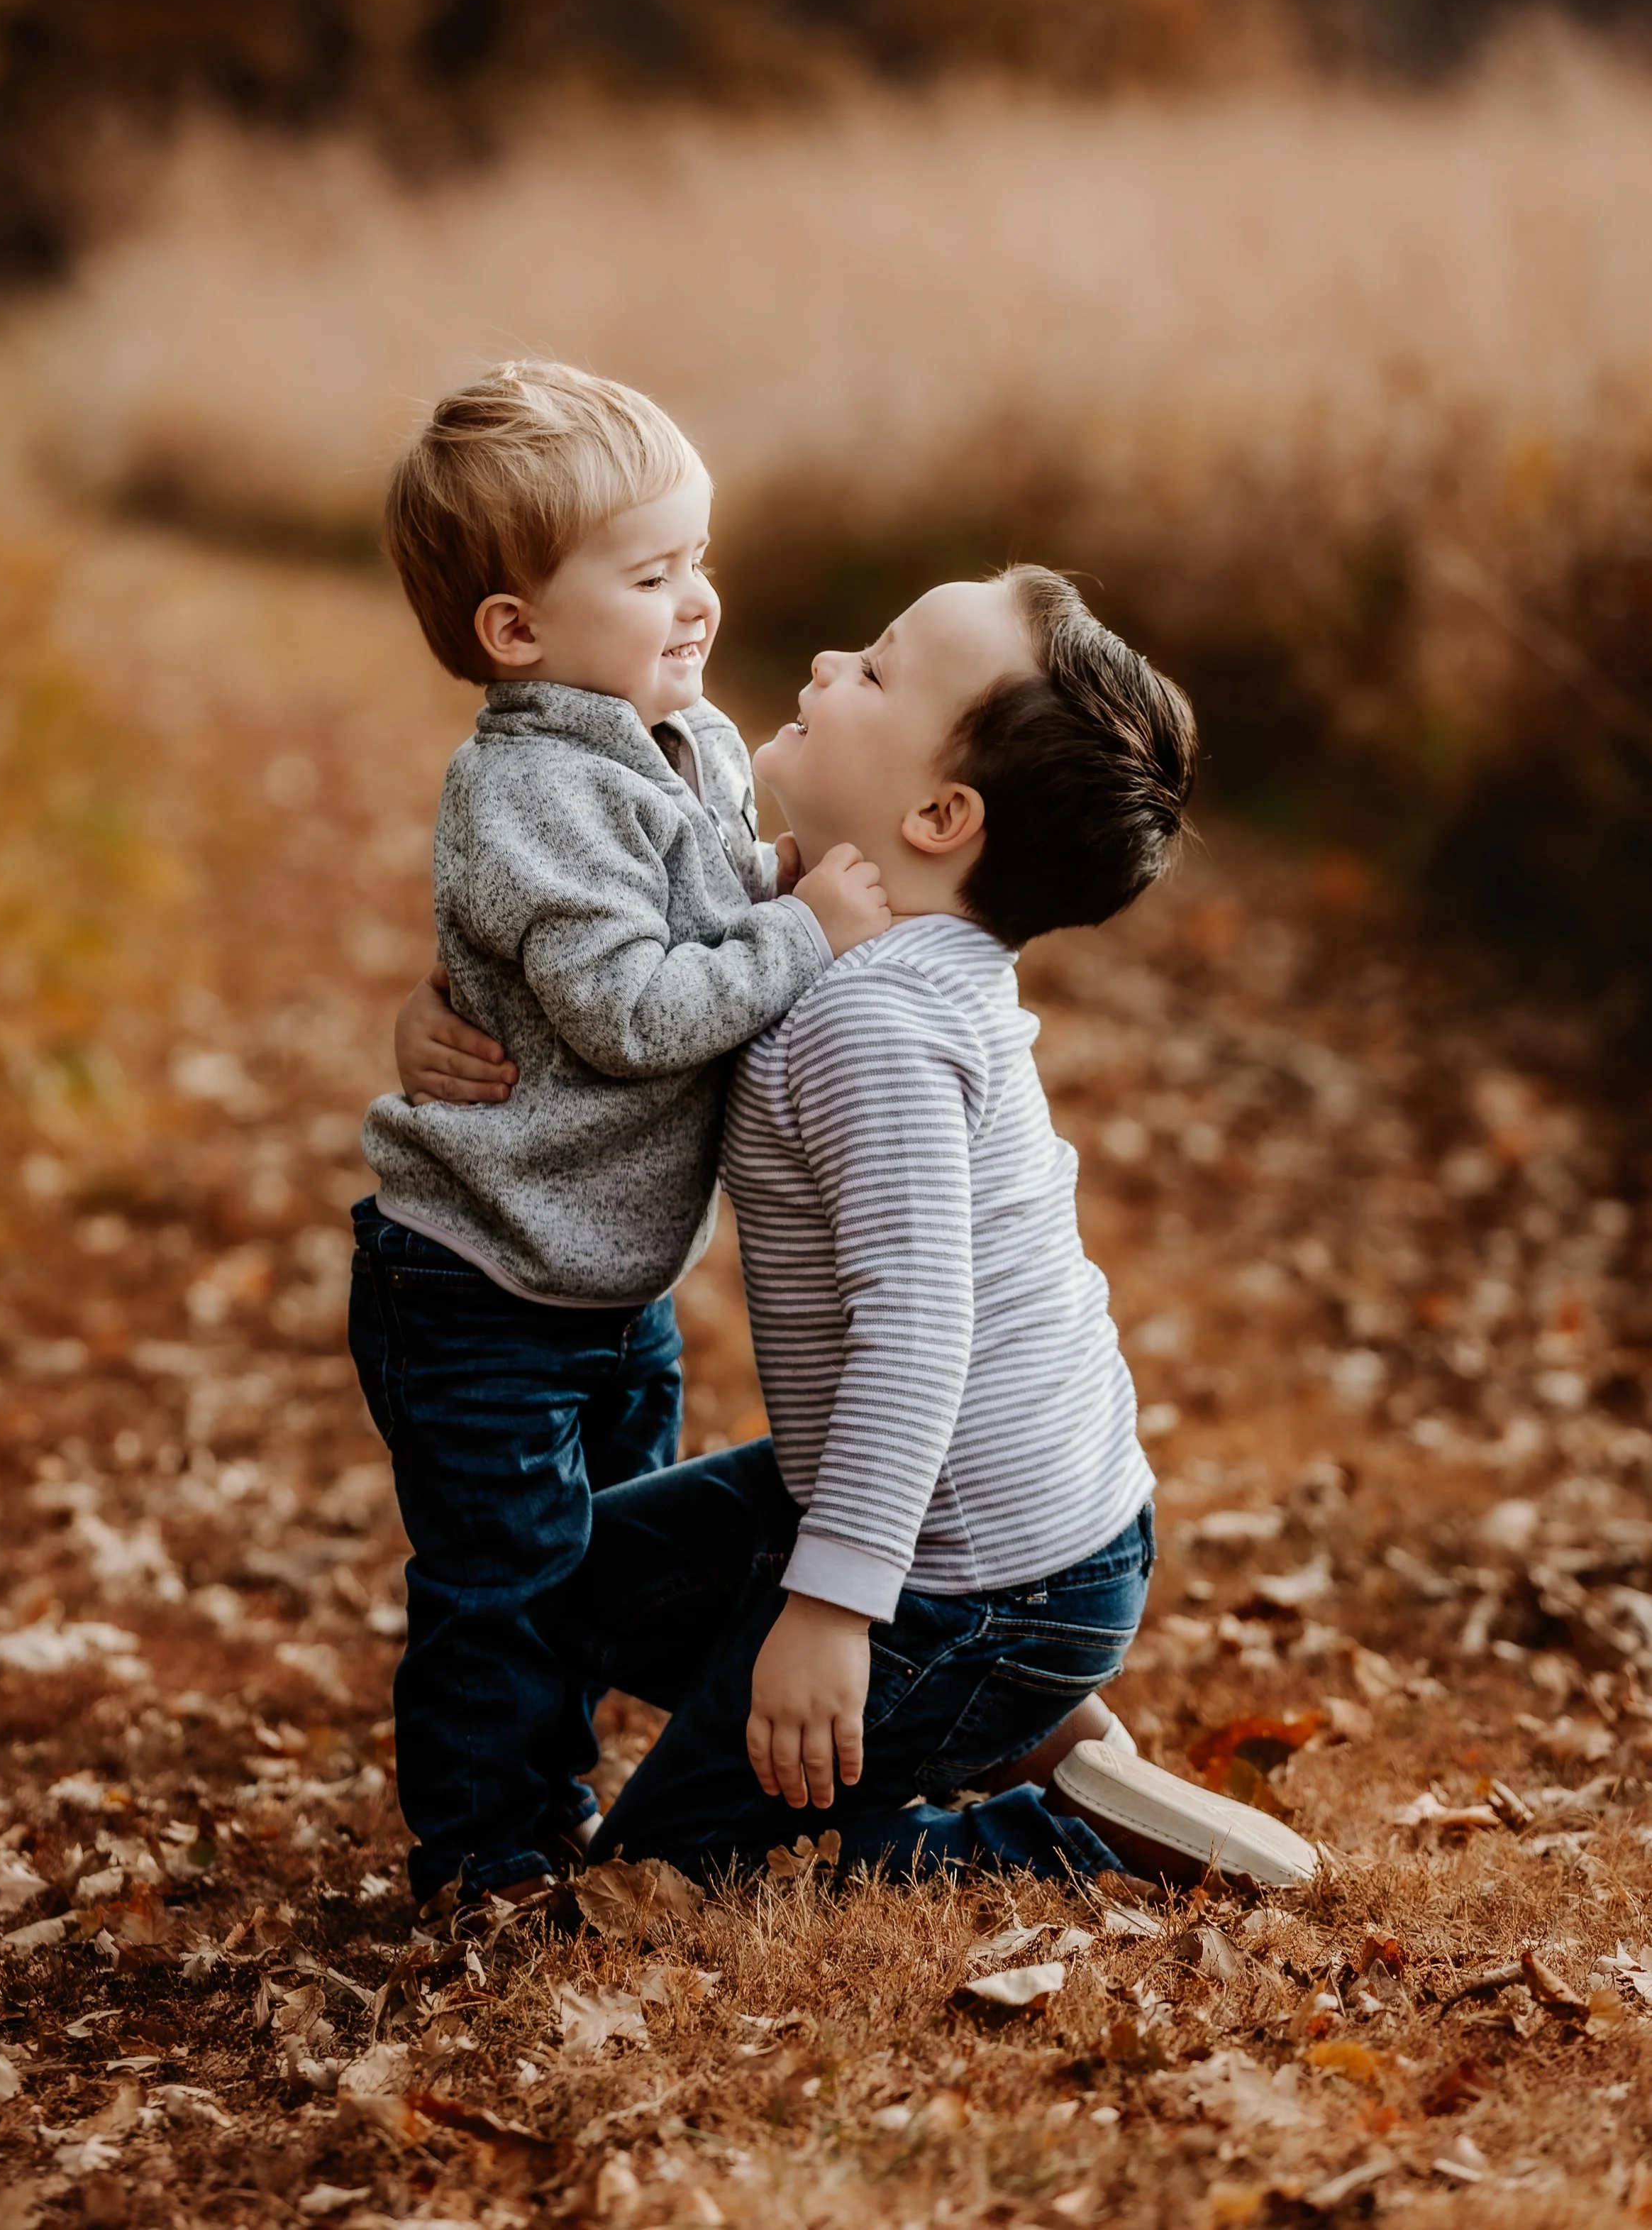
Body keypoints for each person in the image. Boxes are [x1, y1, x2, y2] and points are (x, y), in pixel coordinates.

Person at [406, 565, 1316, 1892]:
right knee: (561, 1586)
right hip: (966, 1520)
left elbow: (918, 1331)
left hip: (985, 1571)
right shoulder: (837, 945)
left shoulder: (872, 1024)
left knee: (680, 1867)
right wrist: (429, 1020)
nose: (830, 660)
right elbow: (616, 986)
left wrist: (833, 1612)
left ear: (941, 815)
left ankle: (1047, 1826)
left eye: (877, 670)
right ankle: (1013, 1720)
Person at [353, 360, 890, 1915]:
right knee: (503, 1588)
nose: (698, 600)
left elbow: (710, 895)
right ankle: (490, 1856)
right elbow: (631, 1011)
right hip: (479, 1290)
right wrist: (807, 932)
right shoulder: (523, 787)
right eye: (651, 575)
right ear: (516, 632)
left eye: (698, 559)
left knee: (587, 1573)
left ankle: (556, 1801)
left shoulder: (684, 735)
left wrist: (796, 875)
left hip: (605, 1287)